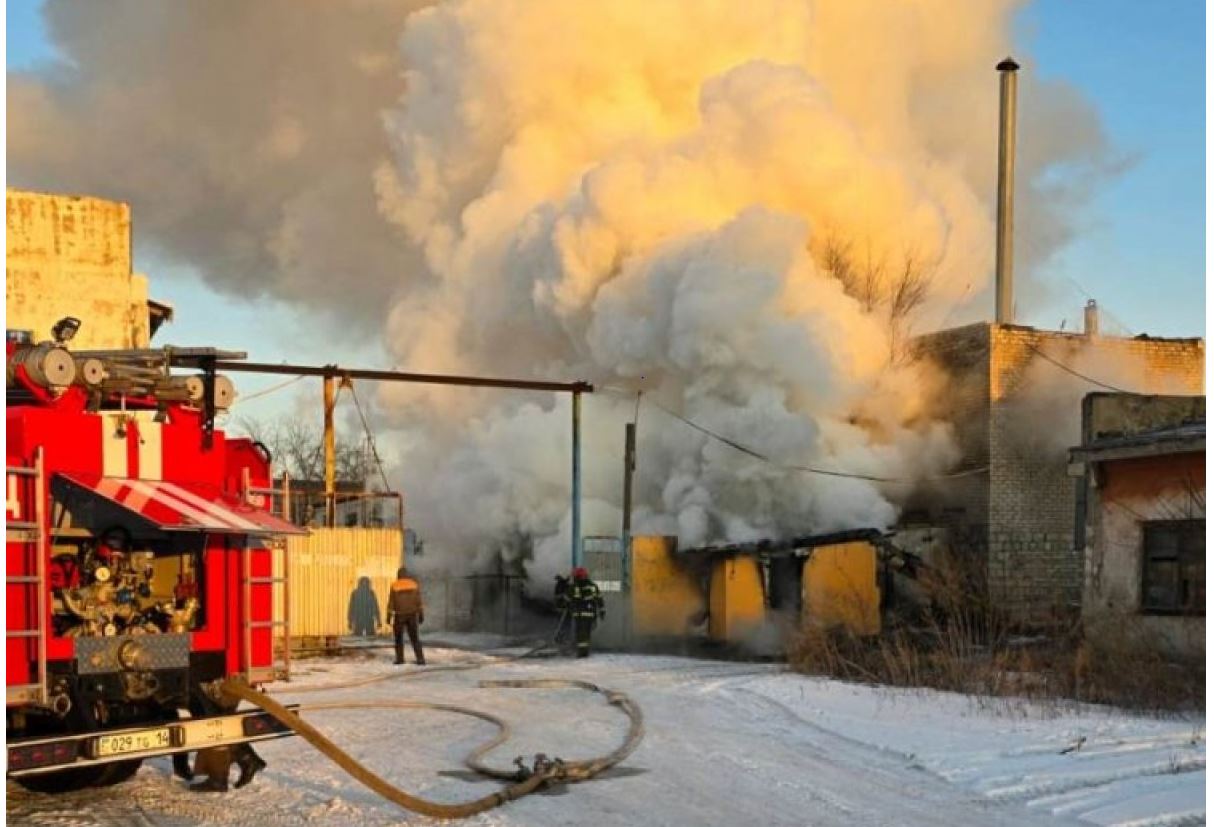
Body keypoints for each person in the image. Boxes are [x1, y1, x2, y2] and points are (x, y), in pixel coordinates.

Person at [386, 567, 426, 666]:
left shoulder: (395, 585)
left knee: (398, 638)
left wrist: (389, 615)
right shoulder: (414, 584)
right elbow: (418, 600)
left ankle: (400, 659)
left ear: (398, 575)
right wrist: (421, 613)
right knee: (415, 638)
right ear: (407, 575)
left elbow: (391, 602)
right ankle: (420, 659)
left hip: (399, 615)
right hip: (412, 615)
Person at [567, 567, 605, 658]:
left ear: (577, 576)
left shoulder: (574, 586)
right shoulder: (592, 586)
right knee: (586, 634)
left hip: (579, 615)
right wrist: (602, 611)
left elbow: (568, 599)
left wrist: (564, 605)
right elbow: (599, 599)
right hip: (590, 614)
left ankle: (582, 653)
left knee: (581, 635)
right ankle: (584, 651)